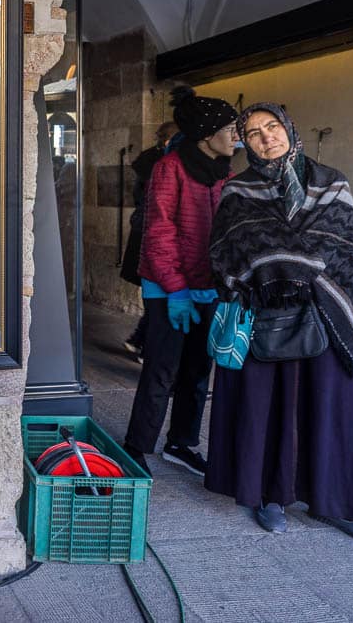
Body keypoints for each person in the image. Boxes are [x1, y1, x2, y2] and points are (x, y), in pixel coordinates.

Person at [206, 103, 353, 543]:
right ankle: (272, 496)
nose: (266, 136)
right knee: (270, 407)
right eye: (253, 132)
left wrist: (297, 264)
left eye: (272, 127)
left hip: (327, 315)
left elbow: (349, 249)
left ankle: (341, 504)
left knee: (332, 407)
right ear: (245, 144)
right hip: (268, 315)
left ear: (289, 128)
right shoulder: (238, 191)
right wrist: (277, 269)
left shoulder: (331, 183)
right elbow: (224, 253)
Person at [122, 88, 238, 476]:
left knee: (198, 370)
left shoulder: (226, 173)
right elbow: (159, 233)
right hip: (168, 288)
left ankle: (182, 443)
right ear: (207, 134)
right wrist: (176, 290)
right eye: (230, 128)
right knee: (161, 368)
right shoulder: (169, 168)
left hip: (209, 288)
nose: (236, 135)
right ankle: (137, 445)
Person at [119, 121, 180, 360]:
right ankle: (147, 347)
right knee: (161, 303)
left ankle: (140, 341)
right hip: (157, 246)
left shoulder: (153, 164)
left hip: (150, 242)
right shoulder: (163, 167)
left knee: (159, 303)